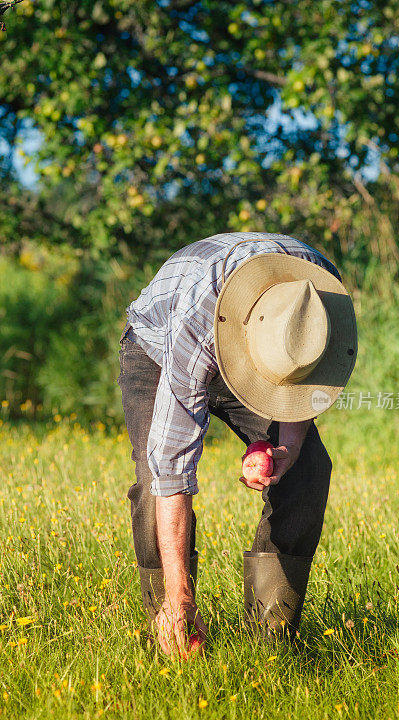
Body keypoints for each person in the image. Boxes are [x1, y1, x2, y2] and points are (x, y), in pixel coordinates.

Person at [117, 232, 357, 657]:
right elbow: (172, 469)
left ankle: (270, 639)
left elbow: (303, 384)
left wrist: (287, 449)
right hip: (159, 348)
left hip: (263, 349)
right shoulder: (198, 322)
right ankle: (170, 619)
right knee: (153, 479)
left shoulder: (320, 303)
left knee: (309, 470)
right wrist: (181, 597)